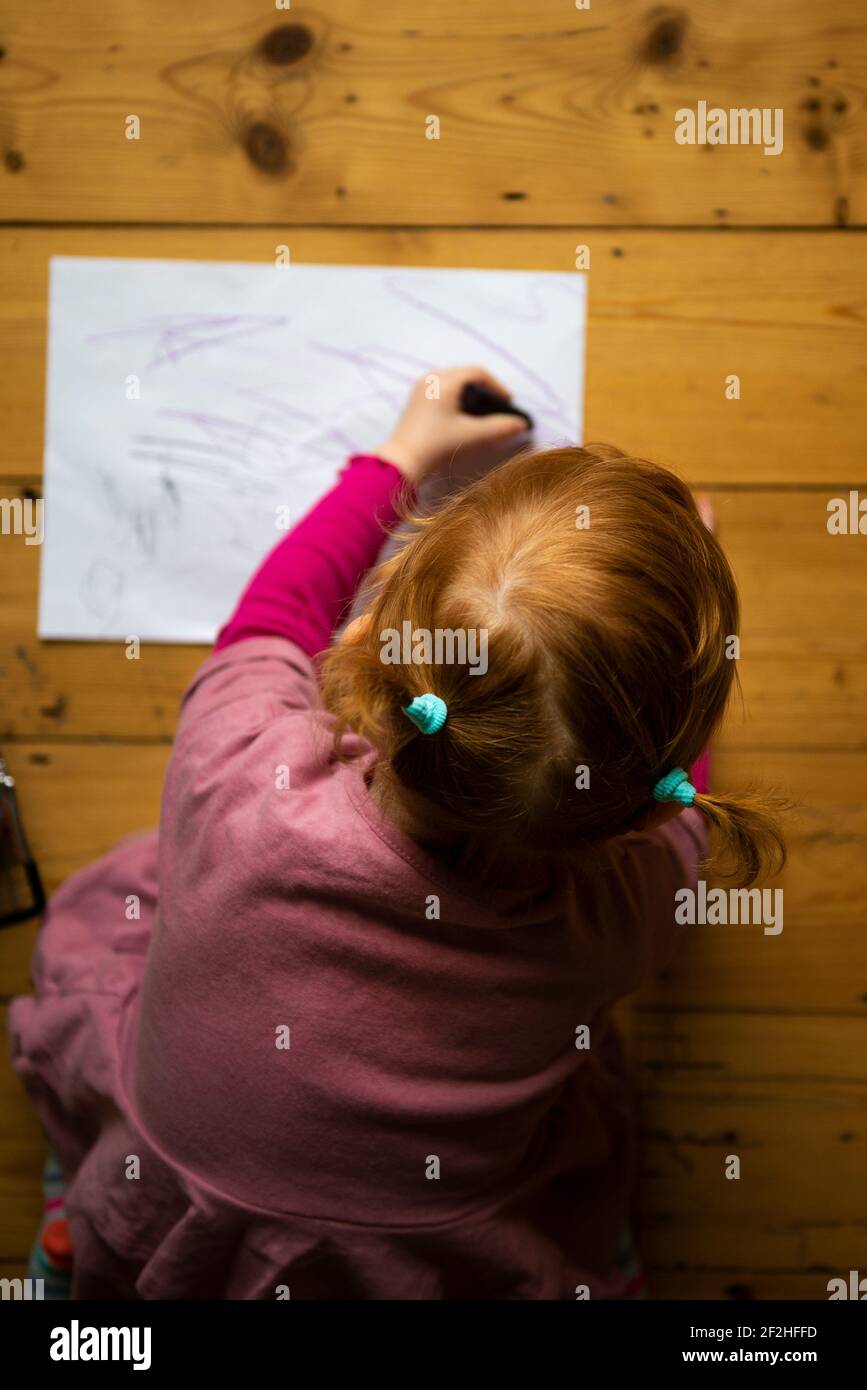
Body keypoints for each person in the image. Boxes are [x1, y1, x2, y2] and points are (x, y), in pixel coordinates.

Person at [9, 366, 784, 1299]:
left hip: (176, 1210)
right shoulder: (624, 912)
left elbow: (273, 616)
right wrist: (671, 639)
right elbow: (686, 822)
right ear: (649, 807)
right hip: (428, 1256)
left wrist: (399, 458)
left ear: (370, 637)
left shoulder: (237, 776)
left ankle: (79, 1229)